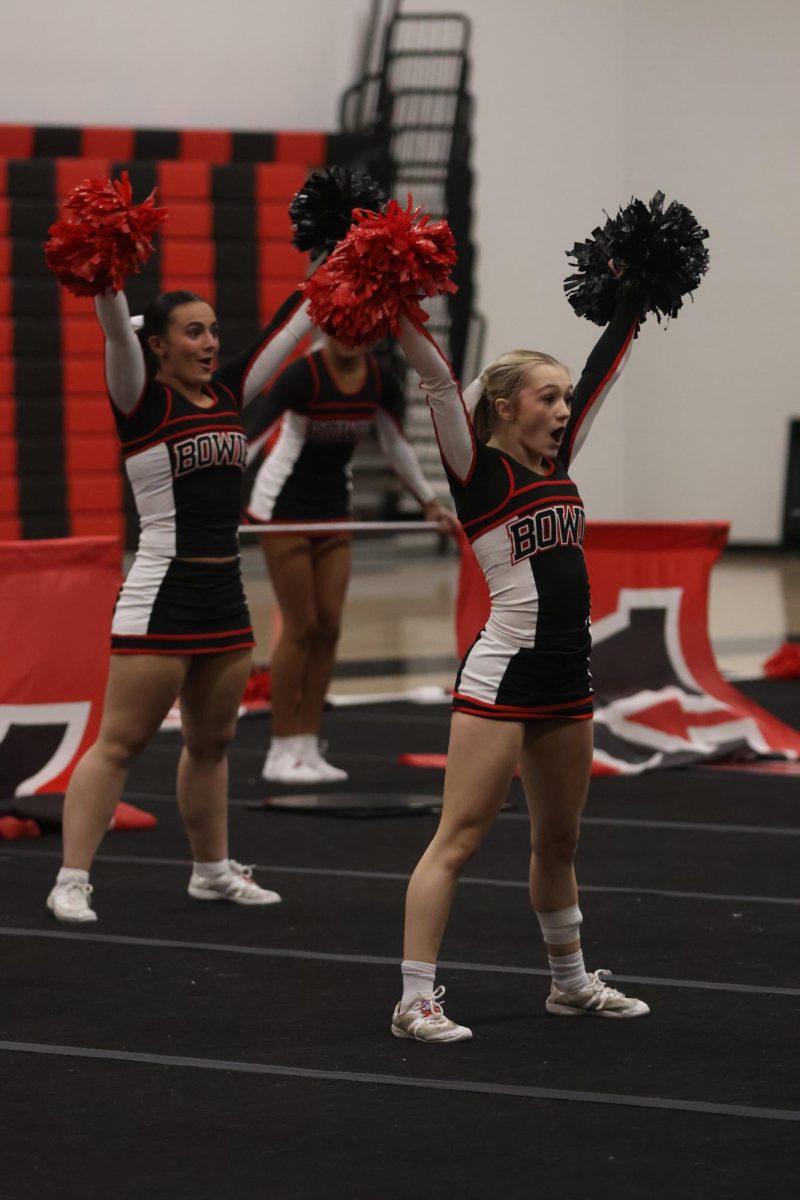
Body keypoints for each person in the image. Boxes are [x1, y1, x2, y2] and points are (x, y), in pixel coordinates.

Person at [386, 276, 651, 1040]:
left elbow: (606, 368)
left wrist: (637, 292)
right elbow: (436, 377)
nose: (563, 409)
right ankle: (414, 999)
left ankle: (568, 983)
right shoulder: (476, 471)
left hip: (570, 673)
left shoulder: (558, 457)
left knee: (558, 840)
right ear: (504, 406)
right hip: (502, 673)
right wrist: (393, 303)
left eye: (565, 397)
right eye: (547, 397)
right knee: (460, 836)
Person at [46, 276, 317, 924]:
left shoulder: (227, 392)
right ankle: (71, 877)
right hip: (161, 593)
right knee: (120, 742)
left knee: (212, 743)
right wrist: (107, 271)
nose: (209, 342)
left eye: (214, 330)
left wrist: (339, 258)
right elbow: (114, 326)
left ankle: (212, 871)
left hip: (223, 591)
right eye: (193, 331)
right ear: (158, 346)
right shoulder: (139, 400)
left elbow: (291, 329)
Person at [245, 334, 458, 784]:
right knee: (300, 627)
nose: (345, 338)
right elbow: (252, 438)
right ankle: (279, 749)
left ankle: (307, 743)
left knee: (329, 627)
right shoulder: (303, 375)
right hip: (282, 508)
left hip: (332, 509)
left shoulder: (379, 379)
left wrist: (428, 502)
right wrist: (210, 492)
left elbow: (395, 443)